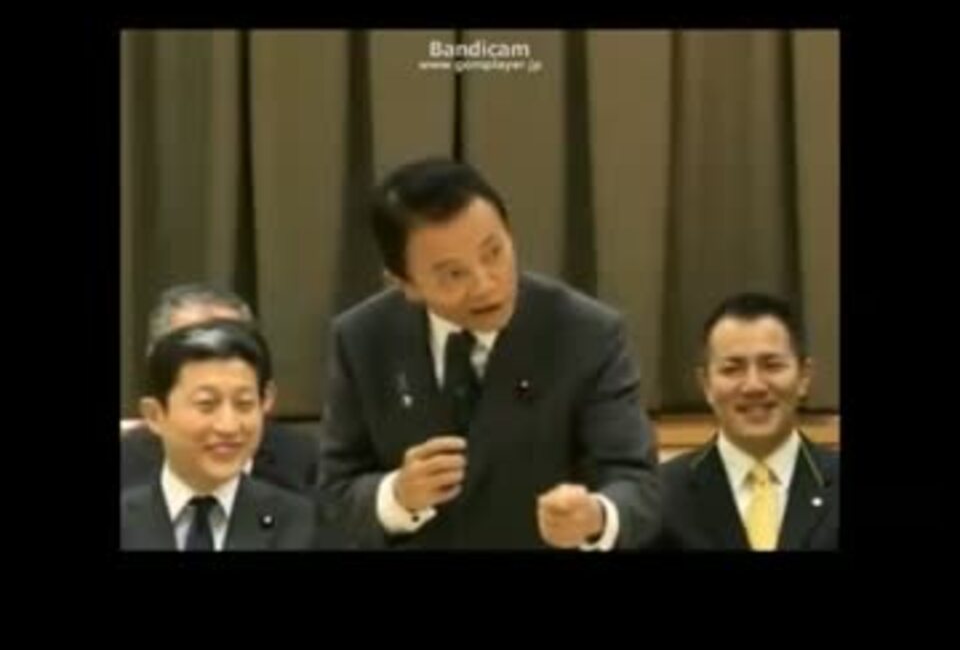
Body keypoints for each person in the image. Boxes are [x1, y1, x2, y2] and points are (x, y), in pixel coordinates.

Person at [317, 157, 660, 549]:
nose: (485, 284)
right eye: (453, 274)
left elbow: (637, 485)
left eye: (493, 253)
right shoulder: (363, 339)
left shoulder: (586, 333)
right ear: (405, 283)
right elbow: (334, 496)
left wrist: (595, 516)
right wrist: (396, 496)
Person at [658, 292, 839, 550]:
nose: (754, 386)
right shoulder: (660, 495)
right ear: (706, 384)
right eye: (732, 369)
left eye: (772, 365)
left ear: (804, 377)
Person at [121, 320, 316, 550]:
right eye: (207, 404)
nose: (228, 426)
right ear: (155, 415)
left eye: (244, 404)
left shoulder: (306, 525)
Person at [121, 284, 319, 494]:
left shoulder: (309, 467)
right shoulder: (126, 468)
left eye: (231, 344)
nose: (227, 426)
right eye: (194, 350)